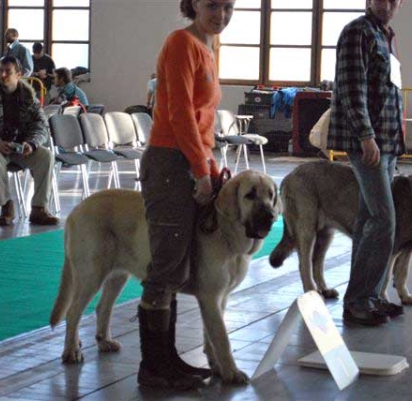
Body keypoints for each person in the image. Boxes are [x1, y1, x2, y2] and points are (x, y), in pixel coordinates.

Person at [136, 0, 235, 390]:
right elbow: (178, 114)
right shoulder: (181, 43)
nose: (221, 15)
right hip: (169, 164)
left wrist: (209, 168)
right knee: (165, 268)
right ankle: (152, 367)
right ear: (193, 4)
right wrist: (200, 170)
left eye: (229, 7)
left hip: (189, 161)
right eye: (213, 5)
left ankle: (169, 360)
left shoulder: (207, 47)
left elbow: (199, 121)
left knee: (178, 267)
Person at [327, 0, 406, 326]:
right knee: (384, 220)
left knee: (366, 220)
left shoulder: (385, 35)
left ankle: (368, 297)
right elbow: (351, 88)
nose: (387, 4)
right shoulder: (357, 32)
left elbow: (389, 89)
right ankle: (359, 300)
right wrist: (365, 135)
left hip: (386, 142)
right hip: (369, 143)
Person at [0, 56, 59, 226]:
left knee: (46, 156)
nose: (3, 75)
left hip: (20, 148)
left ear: (19, 74)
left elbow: (41, 126)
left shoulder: (30, 100)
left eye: (8, 72)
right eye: (1, 71)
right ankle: (6, 206)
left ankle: (39, 208)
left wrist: (32, 144)